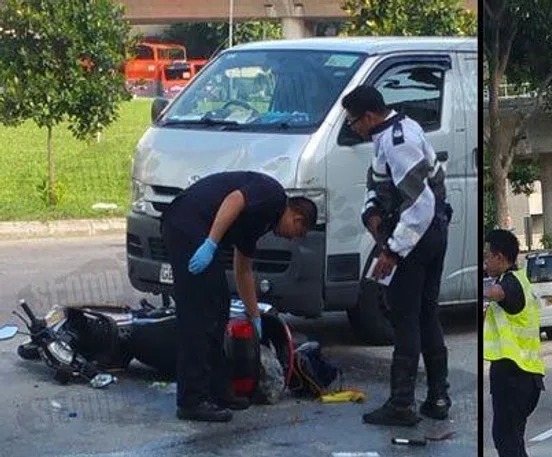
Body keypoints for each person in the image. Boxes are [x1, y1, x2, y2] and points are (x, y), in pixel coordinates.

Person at [161, 171, 316, 423]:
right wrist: (211, 243)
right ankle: (192, 400)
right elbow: (234, 199)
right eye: (297, 232)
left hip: (197, 228)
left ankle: (219, 390)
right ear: (297, 217)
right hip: (187, 224)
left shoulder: (260, 222)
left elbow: (243, 269)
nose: (290, 237)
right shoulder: (273, 196)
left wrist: (255, 318)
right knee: (199, 314)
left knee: (219, 306)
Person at [340, 85, 454, 427]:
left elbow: (420, 204)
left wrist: (392, 250)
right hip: (431, 234)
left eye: (354, 121)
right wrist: (371, 212)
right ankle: (437, 396)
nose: (353, 128)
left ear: (370, 116)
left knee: (405, 317)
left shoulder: (398, 141)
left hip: (417, 238)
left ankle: (402, 402)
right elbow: (377, 184)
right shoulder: (397, 131)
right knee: (425, 315)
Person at [483, 229, 552, 457]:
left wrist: (482, 285)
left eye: (486, 257)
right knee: (512, 444)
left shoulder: (511, 283)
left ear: (500, 257)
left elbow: (499, 295)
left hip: (514, 378)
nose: (484, 262)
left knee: (507, 443)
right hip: (525, 378)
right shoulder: (518, 280)